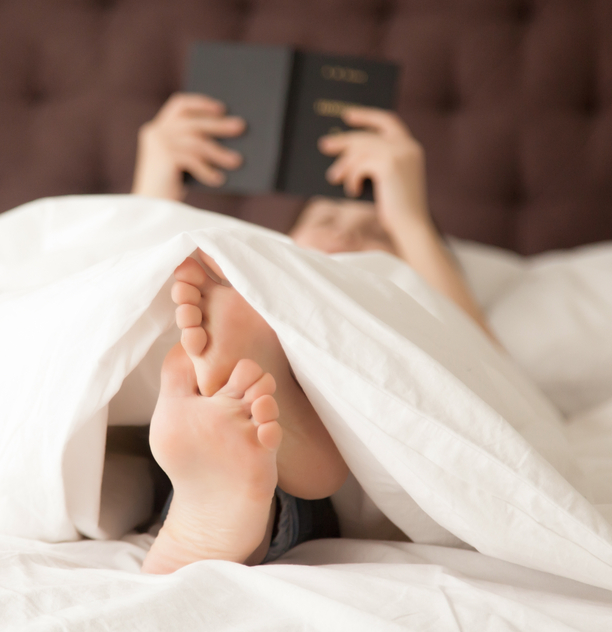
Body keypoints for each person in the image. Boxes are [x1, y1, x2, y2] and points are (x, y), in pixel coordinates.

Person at [130, 93, 495, 574]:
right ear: (286, 242)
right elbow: (122, 297)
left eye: (379, 233)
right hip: (223, 404)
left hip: (344, 422)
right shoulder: (231, 293)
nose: (345, 238)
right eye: (325, 220)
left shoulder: (408, 290)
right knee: (235, 428)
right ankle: (230, 492)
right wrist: (155, 180)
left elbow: (481, 359)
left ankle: (230, 512)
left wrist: (410, 217)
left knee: (247, 441)